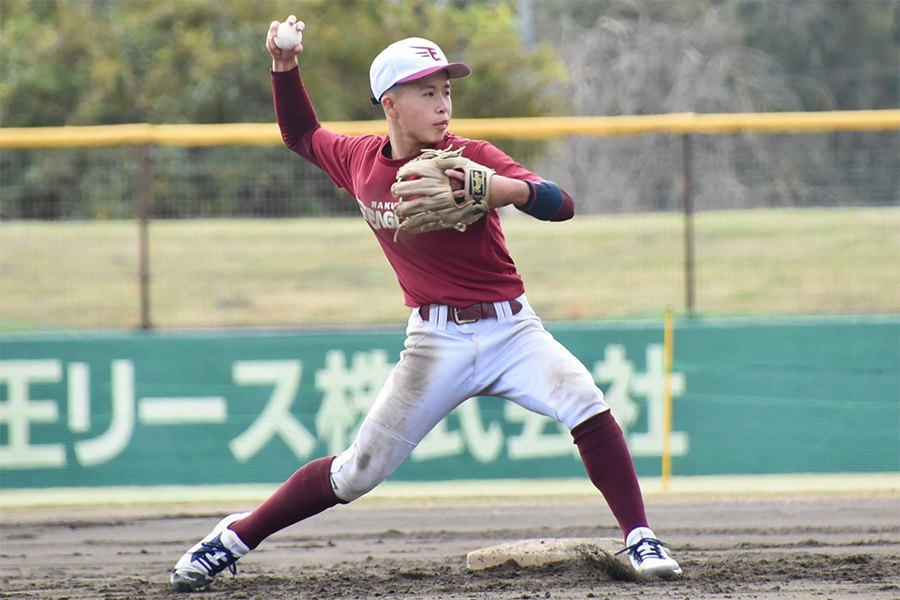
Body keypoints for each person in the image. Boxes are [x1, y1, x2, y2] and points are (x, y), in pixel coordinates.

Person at [169, 15, 682, 592]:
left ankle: (640, 536)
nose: (443, 105)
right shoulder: (360, 159)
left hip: (512, 331)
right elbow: (300, 134)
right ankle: (232, 539)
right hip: (433, 342)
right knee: (354, 473)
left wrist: (499, 189)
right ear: (391, 103)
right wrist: (284, 67)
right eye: (427, 92)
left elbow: (560, 204)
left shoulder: (471, 156)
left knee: (583, 399)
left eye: (446, 91)